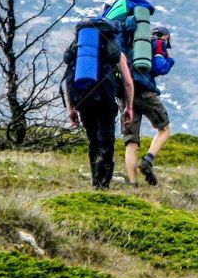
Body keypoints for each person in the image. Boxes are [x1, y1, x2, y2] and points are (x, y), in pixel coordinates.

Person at [63, 18, 135, 190]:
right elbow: (127, 83)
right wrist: (129, 107)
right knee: (106, 141)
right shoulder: (114, 51)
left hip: (84, 101)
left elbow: (68, 79)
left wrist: (71, 108)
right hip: (106, 101)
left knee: (93, 140)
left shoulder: (77, 52)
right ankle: (103, 184)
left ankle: (95, 182)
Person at [119, 21, 172, 187]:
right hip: (144, 91)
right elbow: (159, 68)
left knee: (131, 141)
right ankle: (148, 160)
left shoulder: (128, 43)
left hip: (125, 94)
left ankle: (133, 184)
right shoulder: (157, 44)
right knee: (164, 129)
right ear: (166, 37)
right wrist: (170, 60)